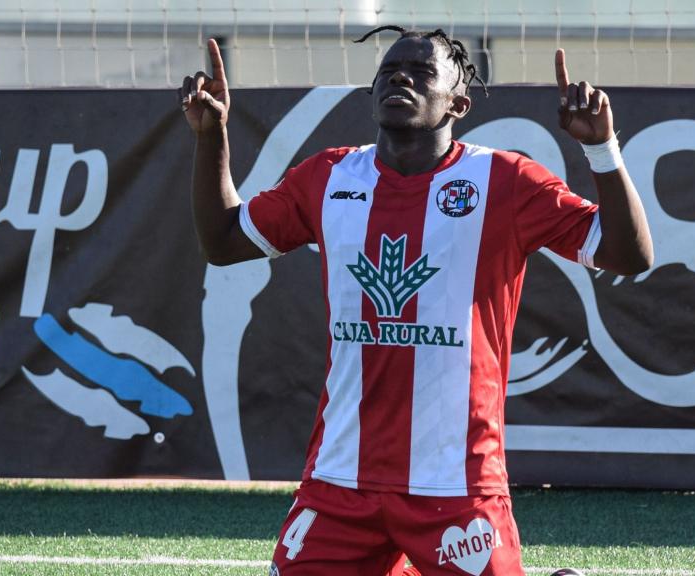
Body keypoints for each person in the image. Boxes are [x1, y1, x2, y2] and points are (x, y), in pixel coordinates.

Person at [179, 25, 652, 576]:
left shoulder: (505, 180)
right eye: (388, 70)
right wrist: (211, 135)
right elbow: (223, 242)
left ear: (459, 102)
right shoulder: (330, 176)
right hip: (340, 480)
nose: (400, 75)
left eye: (422, 71)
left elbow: (627, 255)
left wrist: (601, 149)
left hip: (455, 481)